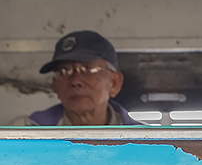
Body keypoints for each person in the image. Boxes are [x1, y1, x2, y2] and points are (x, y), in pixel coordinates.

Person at [11, 30, 140, 126]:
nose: (75, 81)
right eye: (65, 70)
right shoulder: (25, 133)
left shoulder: (143, 141)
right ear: (55, 85)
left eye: (88, 69)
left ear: (114, 83)